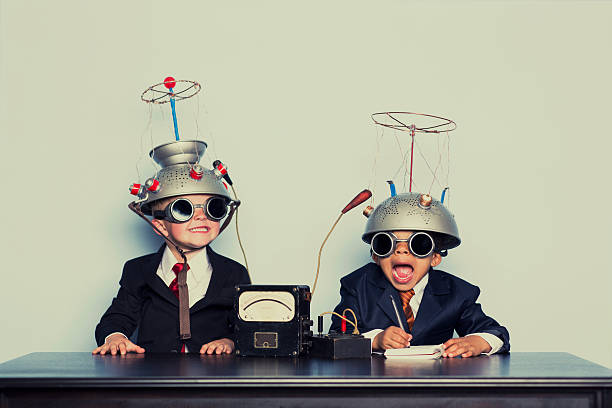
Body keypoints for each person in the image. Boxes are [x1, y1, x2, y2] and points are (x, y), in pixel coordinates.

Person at [93, 140, 249, 356]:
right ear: (159, 226)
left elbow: (247, 325)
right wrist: (116, 337)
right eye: (183, 209)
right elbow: (118, 317)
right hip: (154, 378)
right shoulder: (138, 270)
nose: (200, 216)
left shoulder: (234, 272)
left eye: (213, 207)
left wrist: (230, 341)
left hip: (212, 378)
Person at [330, 192, 509, 357]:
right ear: (376, 256)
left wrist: (479, 342)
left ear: (435, 258)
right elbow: (335, 337)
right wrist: (375, 341)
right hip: (377, 384)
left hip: (433, 384)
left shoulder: (457, 293)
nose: (401, 251)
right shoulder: (358, 285)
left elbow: (496, 332)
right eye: (387, 244)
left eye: (419, 244)